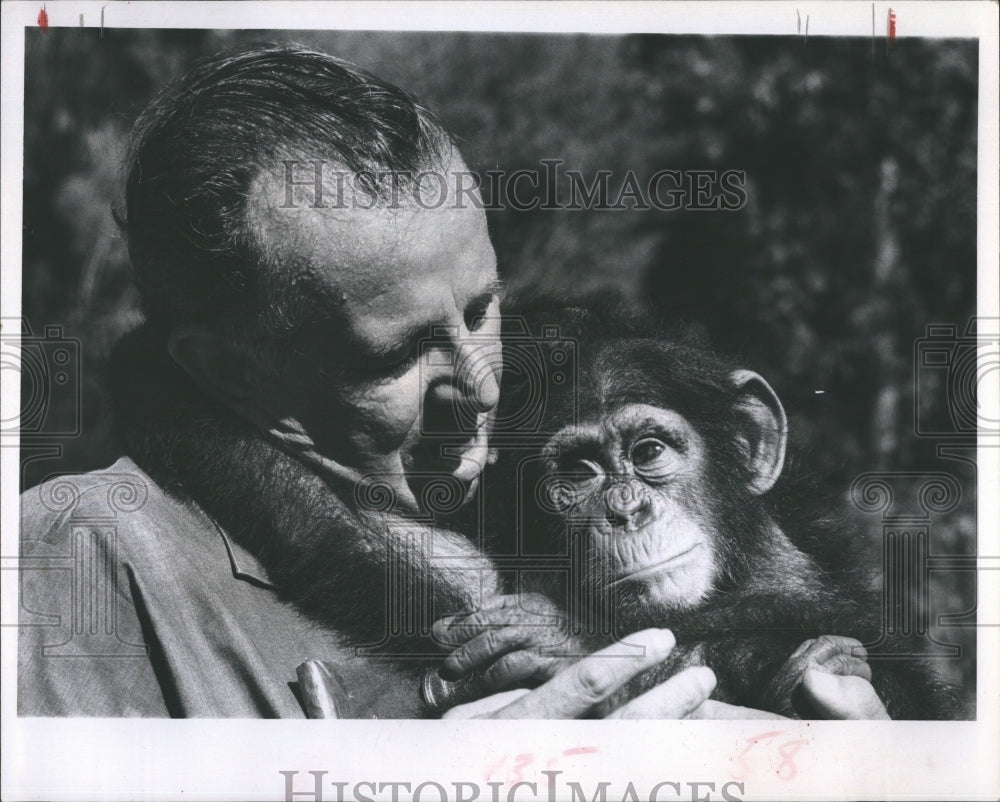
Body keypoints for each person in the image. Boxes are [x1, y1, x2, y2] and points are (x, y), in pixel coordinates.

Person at [18, 43, 889, 719]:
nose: (479, 388)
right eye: (394, 357)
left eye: (481, 310)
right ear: (226, 372)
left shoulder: (510, 495)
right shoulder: (81, 557)